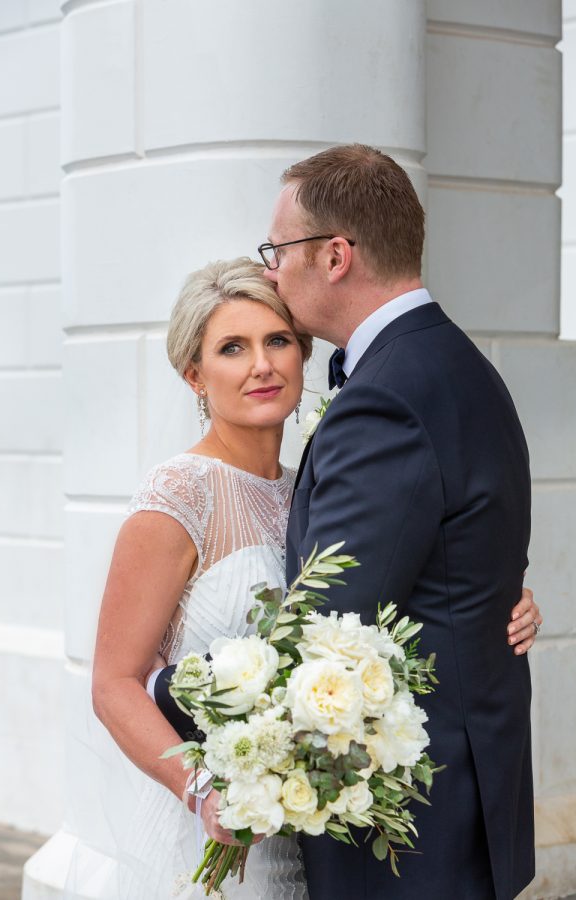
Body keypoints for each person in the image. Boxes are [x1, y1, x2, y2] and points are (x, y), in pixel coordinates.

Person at [259, 144, 537, 900]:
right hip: (468, 788)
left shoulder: (387, 396)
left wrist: (170, 696)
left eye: (277, 250)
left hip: (410, 826)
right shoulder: (459, 364)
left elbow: (331, 624)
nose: (270, 272)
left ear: (335, 256)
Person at [91, 258, 311, 899]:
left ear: (303, 353)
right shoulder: (180, 493)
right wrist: (204, 792)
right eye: (232, 348)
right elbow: (113, 684)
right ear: (195, 375)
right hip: (208, 835)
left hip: (301, 828)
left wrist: (502, 595)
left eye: (278, 341)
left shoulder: (309, 488)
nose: (262, 365)